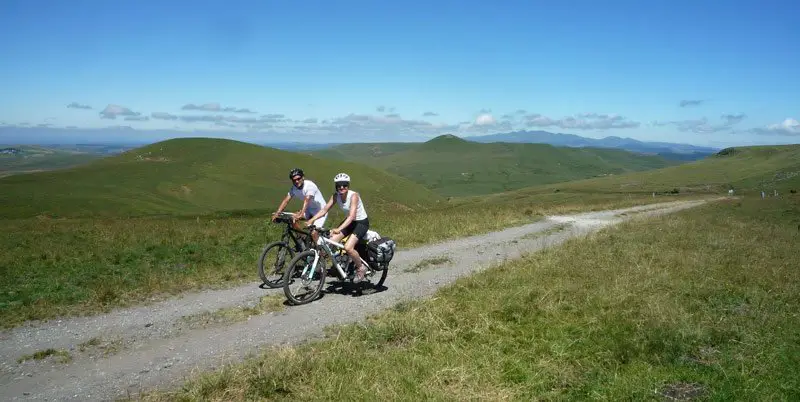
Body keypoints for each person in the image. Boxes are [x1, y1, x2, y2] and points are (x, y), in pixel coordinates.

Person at [307, 172, 370, 283]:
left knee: (348, 247)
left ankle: (361, 268)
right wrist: (312, 220)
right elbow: (324, 210)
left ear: (348, 185)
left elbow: (351, 217)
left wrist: (339, 229)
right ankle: (339, 263)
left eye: (344, 185)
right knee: (330, 242)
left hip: (360, 223)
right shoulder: (336, 196)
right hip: (349, 222)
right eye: (339, 185)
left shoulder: (354, 196)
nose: (341, 187)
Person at [272, 168, 327, 244]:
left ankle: (322, 253)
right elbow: (286, 200)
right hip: (309, 210)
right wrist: (277, 213)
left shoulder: (310, 186)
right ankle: (303, 240)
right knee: (292, 219)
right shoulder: (294, 188)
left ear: (303, 177)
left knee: (314, 233)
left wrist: (301, 214)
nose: (296, 181)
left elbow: (306, 200)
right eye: (294, 180)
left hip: (321, 211)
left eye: (298, 179)